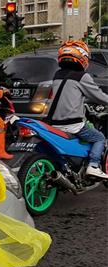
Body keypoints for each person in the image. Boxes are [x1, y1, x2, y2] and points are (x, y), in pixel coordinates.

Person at [46, 40, 108, 180]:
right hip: (73, 125)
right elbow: (99, 96)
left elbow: (70, 94)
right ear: (83, 57)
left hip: (54, 124)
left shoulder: (57, 75)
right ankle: (93, 165)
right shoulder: (82, 76)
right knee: (100, 138)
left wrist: (83, 100)